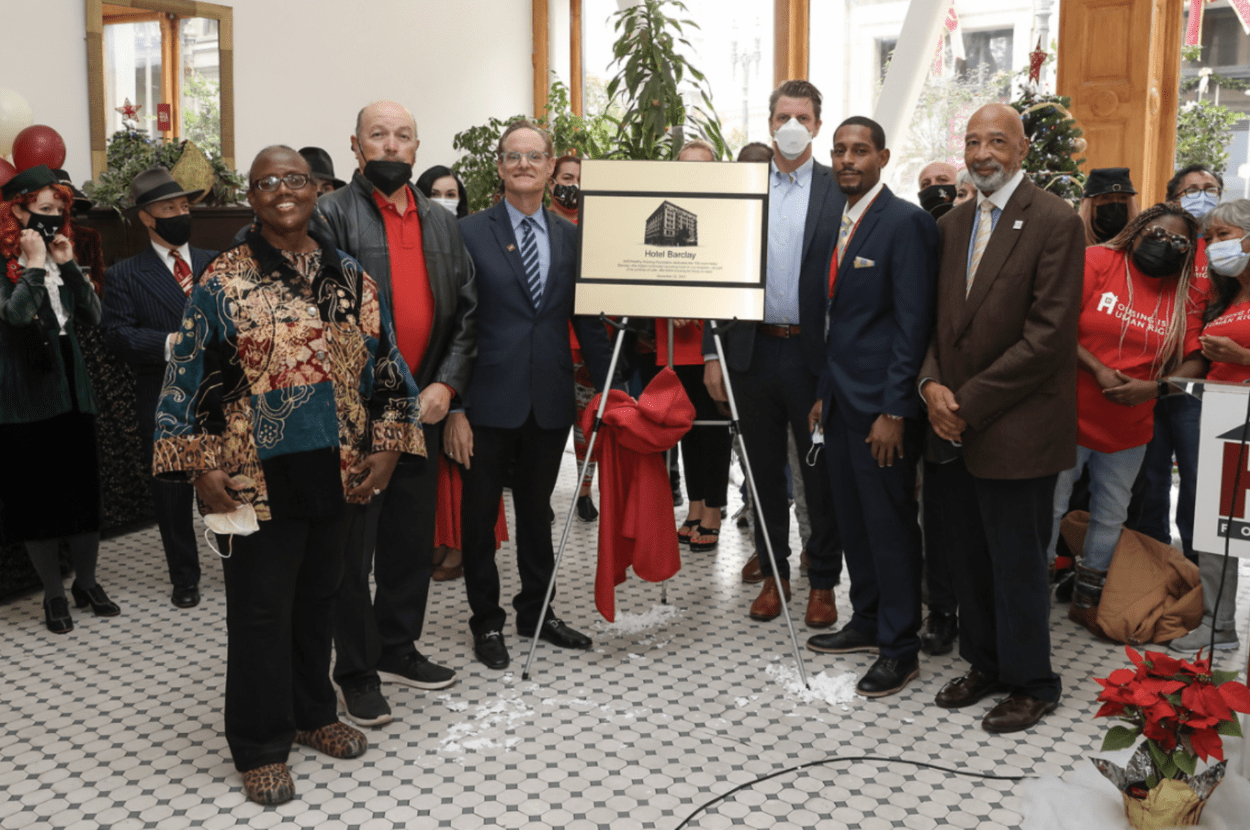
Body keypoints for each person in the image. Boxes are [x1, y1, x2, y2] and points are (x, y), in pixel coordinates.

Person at [152, 146, 424, 805]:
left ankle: (312, 714)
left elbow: (387, 368)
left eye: (295, 179)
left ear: (316, 190)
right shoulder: (223, 279)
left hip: (338, 469)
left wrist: (388, 448)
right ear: (250, 196)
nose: (283, 190)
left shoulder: (350, 276)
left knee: (318, 602)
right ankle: (260, 745)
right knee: (260, 613)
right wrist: (201, 468)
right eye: (267, 181)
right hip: (251, 476)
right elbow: (186, 376)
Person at [920, 104, 1083, 733]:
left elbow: (1048, 338)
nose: (982, 153)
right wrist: (931, 386)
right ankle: (985, 664)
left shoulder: (1055, 221)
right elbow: (936, 323)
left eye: (996, 141)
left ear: (1021, 150)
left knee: (1016, 565)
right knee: (968, 559)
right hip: (952, 424)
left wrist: (965, 404)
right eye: (972, 141)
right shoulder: (952, 224)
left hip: (1017, 426)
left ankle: (1033, 682)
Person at [316, 100, 475, 726]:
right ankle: (356, 672)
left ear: (416, 146)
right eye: (377, 134)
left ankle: (397, 647)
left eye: (402, 135)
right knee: (353, 553)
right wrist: (386, 394)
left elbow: (468, 314)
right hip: (357, 418)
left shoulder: (441, 220)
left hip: (423, 412)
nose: (390, 145)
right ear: (355, 146)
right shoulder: (329, 215)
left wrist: (446, 386)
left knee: (410, 543)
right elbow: (327, 318)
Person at [446, 119, 612, 671]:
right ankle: (486, 621)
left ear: (550, 167)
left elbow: (586, 321)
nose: (523, 165)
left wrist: (611, 388)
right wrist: (456, 406)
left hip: (548, 399)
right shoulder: (469, 233)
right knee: (478, 520)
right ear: (499, 166)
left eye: (534, 156)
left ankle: (537, 613)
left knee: (538, 515)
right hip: (485, 402)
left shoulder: (571, 236)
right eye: (512, 156)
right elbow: (453, 323)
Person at [805, 117, 938, 696]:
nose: (847, 160)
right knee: (854, 521)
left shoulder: (905, 223)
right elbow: (838, 319)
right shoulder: (838, 220)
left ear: (882, 157)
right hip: (840, 401)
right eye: (839, 150)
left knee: (889, 527)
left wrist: (895, 411)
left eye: (859, 151)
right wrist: (823, 392)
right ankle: (866, 619)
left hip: (882, 411)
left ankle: (899, 647)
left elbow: (913, 324)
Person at [703, 79, 843, 629]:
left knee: (819, 473)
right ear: (769, 124)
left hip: (814, 355)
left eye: (803, 118)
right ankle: (774, 575)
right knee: (761, 473)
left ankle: (823, 581)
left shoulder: (837, 189)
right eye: (784, 117)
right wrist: (712, 352)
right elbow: (715, 271)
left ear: (817, 125)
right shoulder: (742, 189)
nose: (792, 126)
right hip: (751, 351)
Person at [1050, 202, 1203, 639]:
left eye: (1179, 242)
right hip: (1068, 415)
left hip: (1130, 425)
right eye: (1157, 234)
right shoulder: (1098, 261)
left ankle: (1087, 601)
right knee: (1050, 507)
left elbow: (1195, 362)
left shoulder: (1185, 292)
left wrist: (1154, 389)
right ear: (1136, 232)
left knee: (1111, 514)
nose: (1166, 245)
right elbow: (1056, 324)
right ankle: (1031, 595)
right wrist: (1098, 369)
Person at [0, 165, 115, 634]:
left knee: (82, 493)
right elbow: (15, 316)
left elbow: (93, 317)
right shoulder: (5, 262)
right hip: (25, 392)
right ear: (17, 210)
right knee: (38, 500)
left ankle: (86, 582)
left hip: (71, 383)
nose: (53, 217)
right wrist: (31, 266)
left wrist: (66, 264)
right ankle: (53, 592)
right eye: (43, 208)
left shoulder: (58, 252)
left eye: (58, 209)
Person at [101, 166, 217, 609]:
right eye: (169, 208)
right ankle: (184, 577)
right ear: (146, 218)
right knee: (172, 494)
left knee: (233, 481)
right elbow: (117, 336)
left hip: (221, 397)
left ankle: (243, 563)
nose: (181, 214)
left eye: (185, 206)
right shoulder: (125, 274)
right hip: (164, 398)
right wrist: (170, 343)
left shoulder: (216, 262)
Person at [1125, 164, 1222, 562]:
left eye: (1210, 188)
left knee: (1200, 481)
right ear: (1173, 200)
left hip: (1200, 384)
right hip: (1146, 374)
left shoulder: (1225, 248)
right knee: (1149, 480)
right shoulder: (1162, 242)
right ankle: (1154, 565)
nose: (1203, 195)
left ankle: (1197, 570)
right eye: (1192, 189)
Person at [1170, 198, 1250, 652]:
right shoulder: (1228, 295)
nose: (1213, 245)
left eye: (1223, 235)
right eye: (1210, 236)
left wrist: (1244, 357)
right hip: (1221, 415)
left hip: (1243, 419)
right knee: (1217, 529)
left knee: (1233, 528)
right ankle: (1218, 625)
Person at [665, 140, 731, 553]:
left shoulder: (726, 214)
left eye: (701, 167)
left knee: (713, 428)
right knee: (686, 426)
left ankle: (713, 510)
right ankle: (694, 505)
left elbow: (728, 279)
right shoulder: (668, 212)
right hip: (673, 338)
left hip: (710, 339)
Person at [542, 153, 600, 521]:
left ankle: (584, 491)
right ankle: (541, 492)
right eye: (567, 178)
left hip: (586, 344)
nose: (573, 186)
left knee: (586, 424)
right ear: (552, 182)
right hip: (547, 341)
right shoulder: (538, 224)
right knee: (545, 424)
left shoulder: (598, 229)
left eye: (580, 179)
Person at [1078, 167, 1139, 246]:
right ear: (1090, 204)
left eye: (1122, 197)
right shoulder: (1076, 242)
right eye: (1105, 197)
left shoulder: (1140, 245)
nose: (1115, 203)